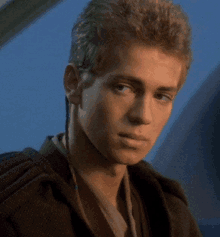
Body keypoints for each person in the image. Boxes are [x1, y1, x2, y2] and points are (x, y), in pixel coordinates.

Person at [0, 0, 202, 236]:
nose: (143, 116)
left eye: (162, 96)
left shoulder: (169, 211)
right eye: (123, 88)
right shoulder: (13, 206)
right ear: (74, 84)